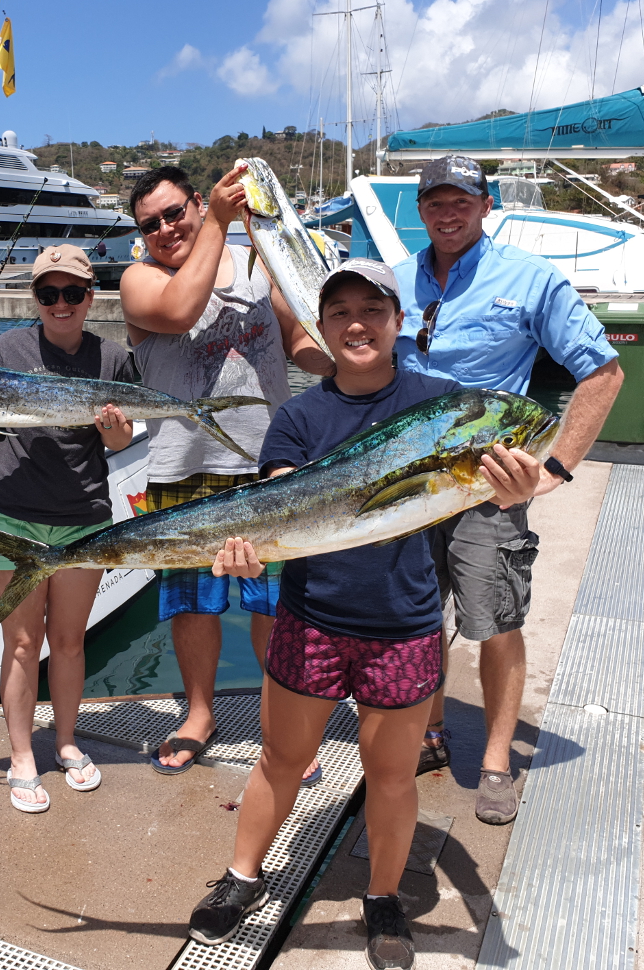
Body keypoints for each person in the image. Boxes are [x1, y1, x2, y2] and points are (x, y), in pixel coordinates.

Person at [187, 261, 540, 967]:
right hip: (311, 616)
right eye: (340, 310)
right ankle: (242, 877)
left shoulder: (445, 403)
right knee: (282, 759)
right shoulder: (299, 415)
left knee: (391, 775)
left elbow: (483, 492)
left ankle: (382, 897)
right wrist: (246, 546)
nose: (356, 323)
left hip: (402, 622)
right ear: (323, 326)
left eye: (372, 309)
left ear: (397, 320)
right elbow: (281, 504)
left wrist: (518, 488)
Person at [395, 155, 623, 824]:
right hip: (407, 486)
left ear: (486, 203)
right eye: (435, 199)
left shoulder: (530, 279)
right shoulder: (396, 280)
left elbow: (602, 374)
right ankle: (431, 733)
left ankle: (496, 761)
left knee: (496, 621)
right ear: (420, 207)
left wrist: (553, 472)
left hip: (487, 486)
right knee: (416, 616)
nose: (448, 210)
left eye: (461, 198)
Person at [119, 164, 333, 775]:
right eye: (149, 223)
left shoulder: (259, 263)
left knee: (275, 604)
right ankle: (199, 714)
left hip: (271, 460)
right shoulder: (138, 280)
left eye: (173, 212)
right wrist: (215, 219)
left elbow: (298, 343)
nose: (164, 228)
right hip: (182, 467)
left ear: (192, 201)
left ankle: (283, 723)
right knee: (193, 605)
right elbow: (182, 312)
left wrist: (351, 360)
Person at [0, 245, 132, 812]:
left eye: (72, 293)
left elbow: (119, 442)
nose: (61, 304)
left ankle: (66, 742)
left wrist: (116, 428)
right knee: (21, 643)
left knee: (69, 641)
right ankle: (22, 754)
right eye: (49, 294)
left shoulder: (112, 358)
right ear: (36, 299)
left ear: (90, 297)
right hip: (12, 513)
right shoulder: (7, 348)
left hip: (83, 517)